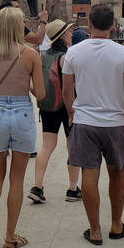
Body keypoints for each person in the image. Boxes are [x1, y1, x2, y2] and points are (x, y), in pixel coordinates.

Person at [62, 3, 124, 245]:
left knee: (89, 173)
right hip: (116, 122)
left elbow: (66, 89)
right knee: (117, 173)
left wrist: (71, 113)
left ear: (89, 23)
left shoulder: (73, 52)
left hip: (85, 121)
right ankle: (116, 225)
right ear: (114, 26)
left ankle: (94, 230)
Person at [0, 7, 45, 248]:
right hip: (22, 112)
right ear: (18, 26)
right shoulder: (31, 54)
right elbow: (40, 93)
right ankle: (10, 236)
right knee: (17, 179)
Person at [28, 20, 82, 205]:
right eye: (68, 31)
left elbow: (32, 84)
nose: (72, 33)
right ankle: (73, 189)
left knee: (46, 146)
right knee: (72, 147)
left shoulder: (41, 56)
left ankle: (37, 186)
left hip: (47, 106)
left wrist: (40, 97)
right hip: (68, 108)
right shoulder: (68, 57)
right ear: (61, 36)